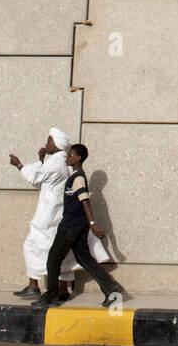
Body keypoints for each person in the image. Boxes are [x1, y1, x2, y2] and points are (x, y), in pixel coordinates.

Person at [9, 128, 109, 300]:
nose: (46, 144)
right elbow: (45, 178)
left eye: (49, 141)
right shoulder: (62, 162)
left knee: (34, 246)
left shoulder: (57, 163)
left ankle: (37, 286)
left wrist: (19, 164)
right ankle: (62, 289)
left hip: (49, 213)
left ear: (56, 144)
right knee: (63, 253)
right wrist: (41, 159)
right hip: (60, 213)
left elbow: (36, 178)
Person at [41, 143, 124, 307]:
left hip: (71, 225)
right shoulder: (75, 177)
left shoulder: (78, 178)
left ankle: (51, 296)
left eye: (71, 155)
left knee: (53, 259)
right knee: (84, 258)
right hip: (77, 225)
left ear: (78, 159)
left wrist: (92, 224)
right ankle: (111, 287)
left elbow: (85, 202)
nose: (68, 157)